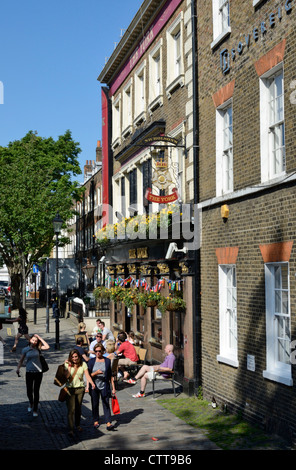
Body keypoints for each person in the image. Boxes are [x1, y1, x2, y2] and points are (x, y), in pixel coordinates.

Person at [63, 349, 95, 437]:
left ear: (79, 356)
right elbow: (66, 377)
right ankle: (70, 429)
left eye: (76, 357)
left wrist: (92, 383)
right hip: (70, 389)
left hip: (80, 389)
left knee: (78, 408)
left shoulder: (83, 364)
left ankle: (77, 425)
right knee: (71, 410)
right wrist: (69, 367)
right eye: (72, 357)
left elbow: (87, 375)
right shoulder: (66, 364)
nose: (74, 359)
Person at [16, 334, 50, 416]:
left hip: (38, 372)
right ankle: (31, 403)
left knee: (36, 391)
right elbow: (21, 360)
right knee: (29, 390)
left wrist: (39, 338)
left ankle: (35, 409)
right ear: (29, 340)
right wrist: (18, 368)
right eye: (33, 340)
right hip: (29, 372)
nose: (34, 342)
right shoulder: (25, 349)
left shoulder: (38, 348)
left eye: (36, 341)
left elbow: (47, 347)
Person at [87, 343, 116, 431]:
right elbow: (87, 375)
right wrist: (95, 373)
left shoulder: (107, 361)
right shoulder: (91, 361)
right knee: (95, 404)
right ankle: (95, 420)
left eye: (99, 351)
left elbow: (110, 375)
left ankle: (108, 422)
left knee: (106, 403)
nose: (98, 353)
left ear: (103, 351)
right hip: (94, 386)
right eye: (96, 351)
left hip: (104, 385)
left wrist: (113, 388)